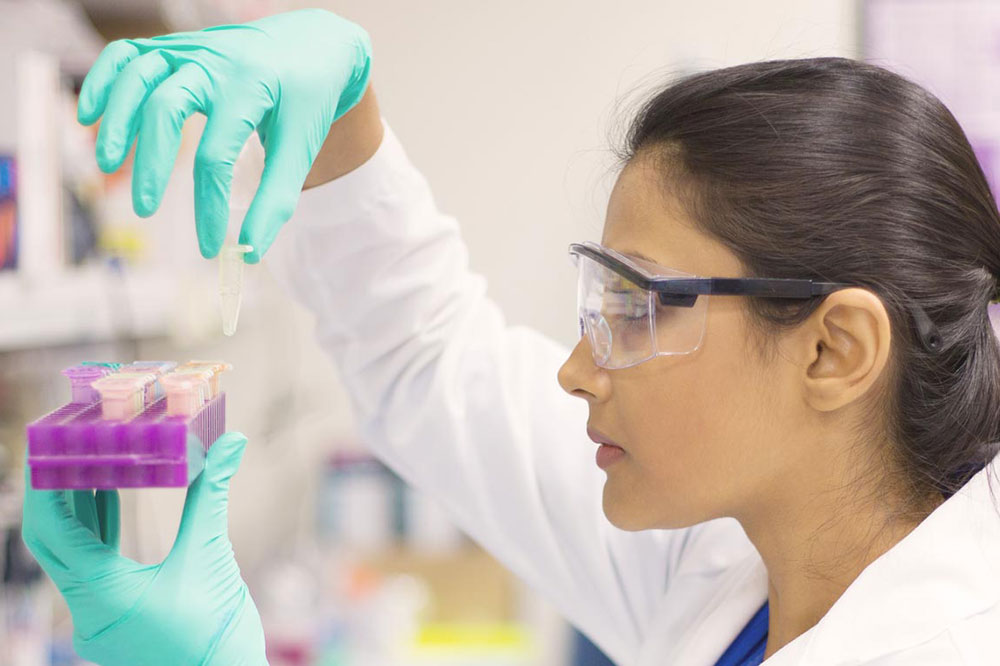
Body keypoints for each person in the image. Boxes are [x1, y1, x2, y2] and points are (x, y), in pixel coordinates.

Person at [20, 8, 1000, 666]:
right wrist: (342, 117)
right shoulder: (740, 566)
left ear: (832, 352)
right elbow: (430, 357)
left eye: (637, 310)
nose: (577, 371)